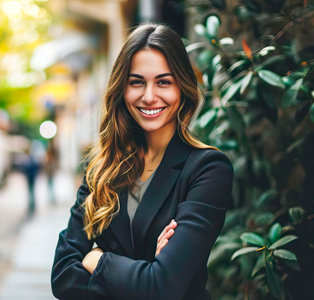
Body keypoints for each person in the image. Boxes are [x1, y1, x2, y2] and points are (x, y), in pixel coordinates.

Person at [51, 23, 233, 300]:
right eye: (137, 82)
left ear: (182, 88)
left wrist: (97, 260)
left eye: (163, 81)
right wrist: (147, 271)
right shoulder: (101, 168)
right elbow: (63, 277)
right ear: (122, 89)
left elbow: (162, 287)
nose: (149, 96)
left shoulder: (207, 169)